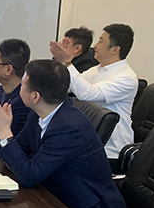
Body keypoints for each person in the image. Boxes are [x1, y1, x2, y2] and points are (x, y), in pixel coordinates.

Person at [0, 60, 127, 208]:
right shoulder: (38, 114)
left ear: (35, 97)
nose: (19, 89)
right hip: (55, 199)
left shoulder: (69, 127)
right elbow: (19, 151)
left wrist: (4, 132)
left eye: (23, 86)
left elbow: (29, 176)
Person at [50, 24, 138, 170]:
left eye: (101, 42)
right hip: (89, 142)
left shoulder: (126, 78)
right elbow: (67, 85)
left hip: (109, 151)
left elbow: (88, 94)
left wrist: (68, 62)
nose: (95, 46)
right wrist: (61, 62)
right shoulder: (97, 69)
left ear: (115, 49)